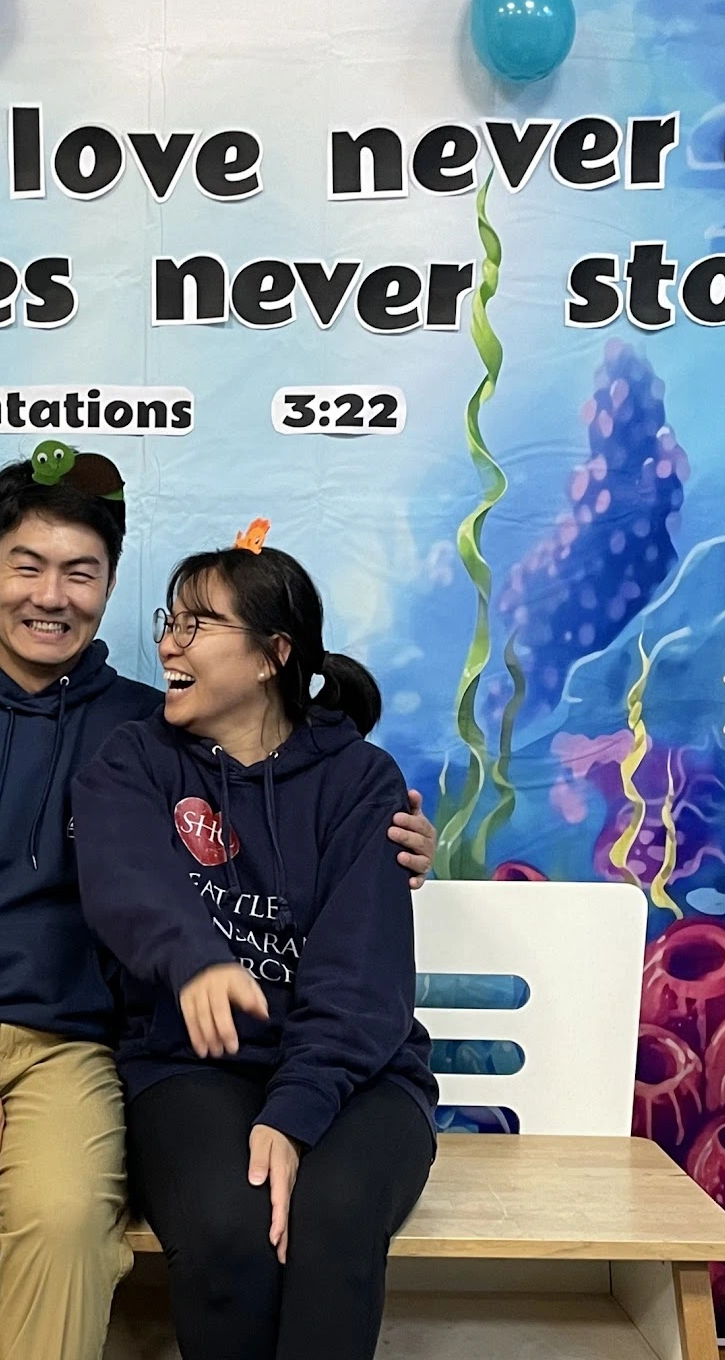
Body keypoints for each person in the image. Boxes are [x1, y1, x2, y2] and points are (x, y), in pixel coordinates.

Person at [0, 451, 438, 1360]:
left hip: (74, 1045)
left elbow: (283, 764)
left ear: (110, 584)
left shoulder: (159, 724)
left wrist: (396, 842)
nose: (51, 595)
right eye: (27, 565)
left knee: (70, 1219)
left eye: (81, 572)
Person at [73, 527, 438, 1360]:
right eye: (170, 621)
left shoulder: (361, 781)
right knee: (228, 1229)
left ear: (274, 655)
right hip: (191, 1064)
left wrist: (294, 1113)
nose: (169, 642)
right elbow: (125, 876)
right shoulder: (134, 759)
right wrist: (195, 959)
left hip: (357, 1074)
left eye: (197, 624)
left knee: (332, 1217)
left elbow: (360, 977)